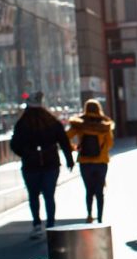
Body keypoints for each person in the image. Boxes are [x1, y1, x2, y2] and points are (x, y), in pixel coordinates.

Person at [10, 92, 74, 238]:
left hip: (30, 165)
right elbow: (64, 141)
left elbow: (14, 144)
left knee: (33, 196)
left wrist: (25, 154)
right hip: (51, 164)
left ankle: (37, 224)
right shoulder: (52, 121)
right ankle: (51, 225)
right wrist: (69, 160)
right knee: (49, 195)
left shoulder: (22, 123)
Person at [67, 99, 114, 224]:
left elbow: (66, 137)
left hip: (85, 161)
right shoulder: (104, 124)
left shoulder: (79, 124)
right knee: (100, 190)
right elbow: (109, 143)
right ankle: (100, 218)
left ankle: (89, 214)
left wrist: (75, 147)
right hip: (101, 162)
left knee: (89, 190)